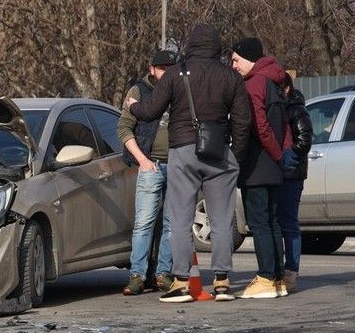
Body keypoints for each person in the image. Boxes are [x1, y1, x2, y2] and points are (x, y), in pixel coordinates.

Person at [127, 24, 252, 303]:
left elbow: (149, 112)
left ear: (191, 45)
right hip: (220, 153)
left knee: (181, 220)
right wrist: (236, 156)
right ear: (218, 46)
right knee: (220, 220)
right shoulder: (230, 76)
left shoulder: (175, 73)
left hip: (183, 152)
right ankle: (221, 281)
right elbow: (243, 121)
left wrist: (132, 105)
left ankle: (182, 282)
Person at [230, 37, 292, 299]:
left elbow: (260, 127)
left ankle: (266, 277)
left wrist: (277, 154)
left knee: (259, 223)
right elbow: (285, 124)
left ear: (248, 58)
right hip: (274, 168)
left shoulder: (253, 84)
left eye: (235, 59)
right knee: (272, 222)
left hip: (258, 166)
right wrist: (284, 153)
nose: (233, 65)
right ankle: (278, 279)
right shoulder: (274, 81)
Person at [117, 49, 176, 295]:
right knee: (144, 222)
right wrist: (142, 160)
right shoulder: (138, 91)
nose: (166, 73)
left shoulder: (180, 90)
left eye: (170, 69)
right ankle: (137, 276)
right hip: (151, 164)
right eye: (162, 68)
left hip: (177, 166)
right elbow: (124, 129)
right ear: (151, 69)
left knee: (171, 223)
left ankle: (163, 274)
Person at [278, 74, 314, 292]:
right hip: (282, 170)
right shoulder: (284, 106)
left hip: (291, 173)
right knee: (281, 222)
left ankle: (291, 272)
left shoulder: (295, 108)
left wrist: (288, 158)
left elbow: (305, 138)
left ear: (287, 88)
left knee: (289, 223)